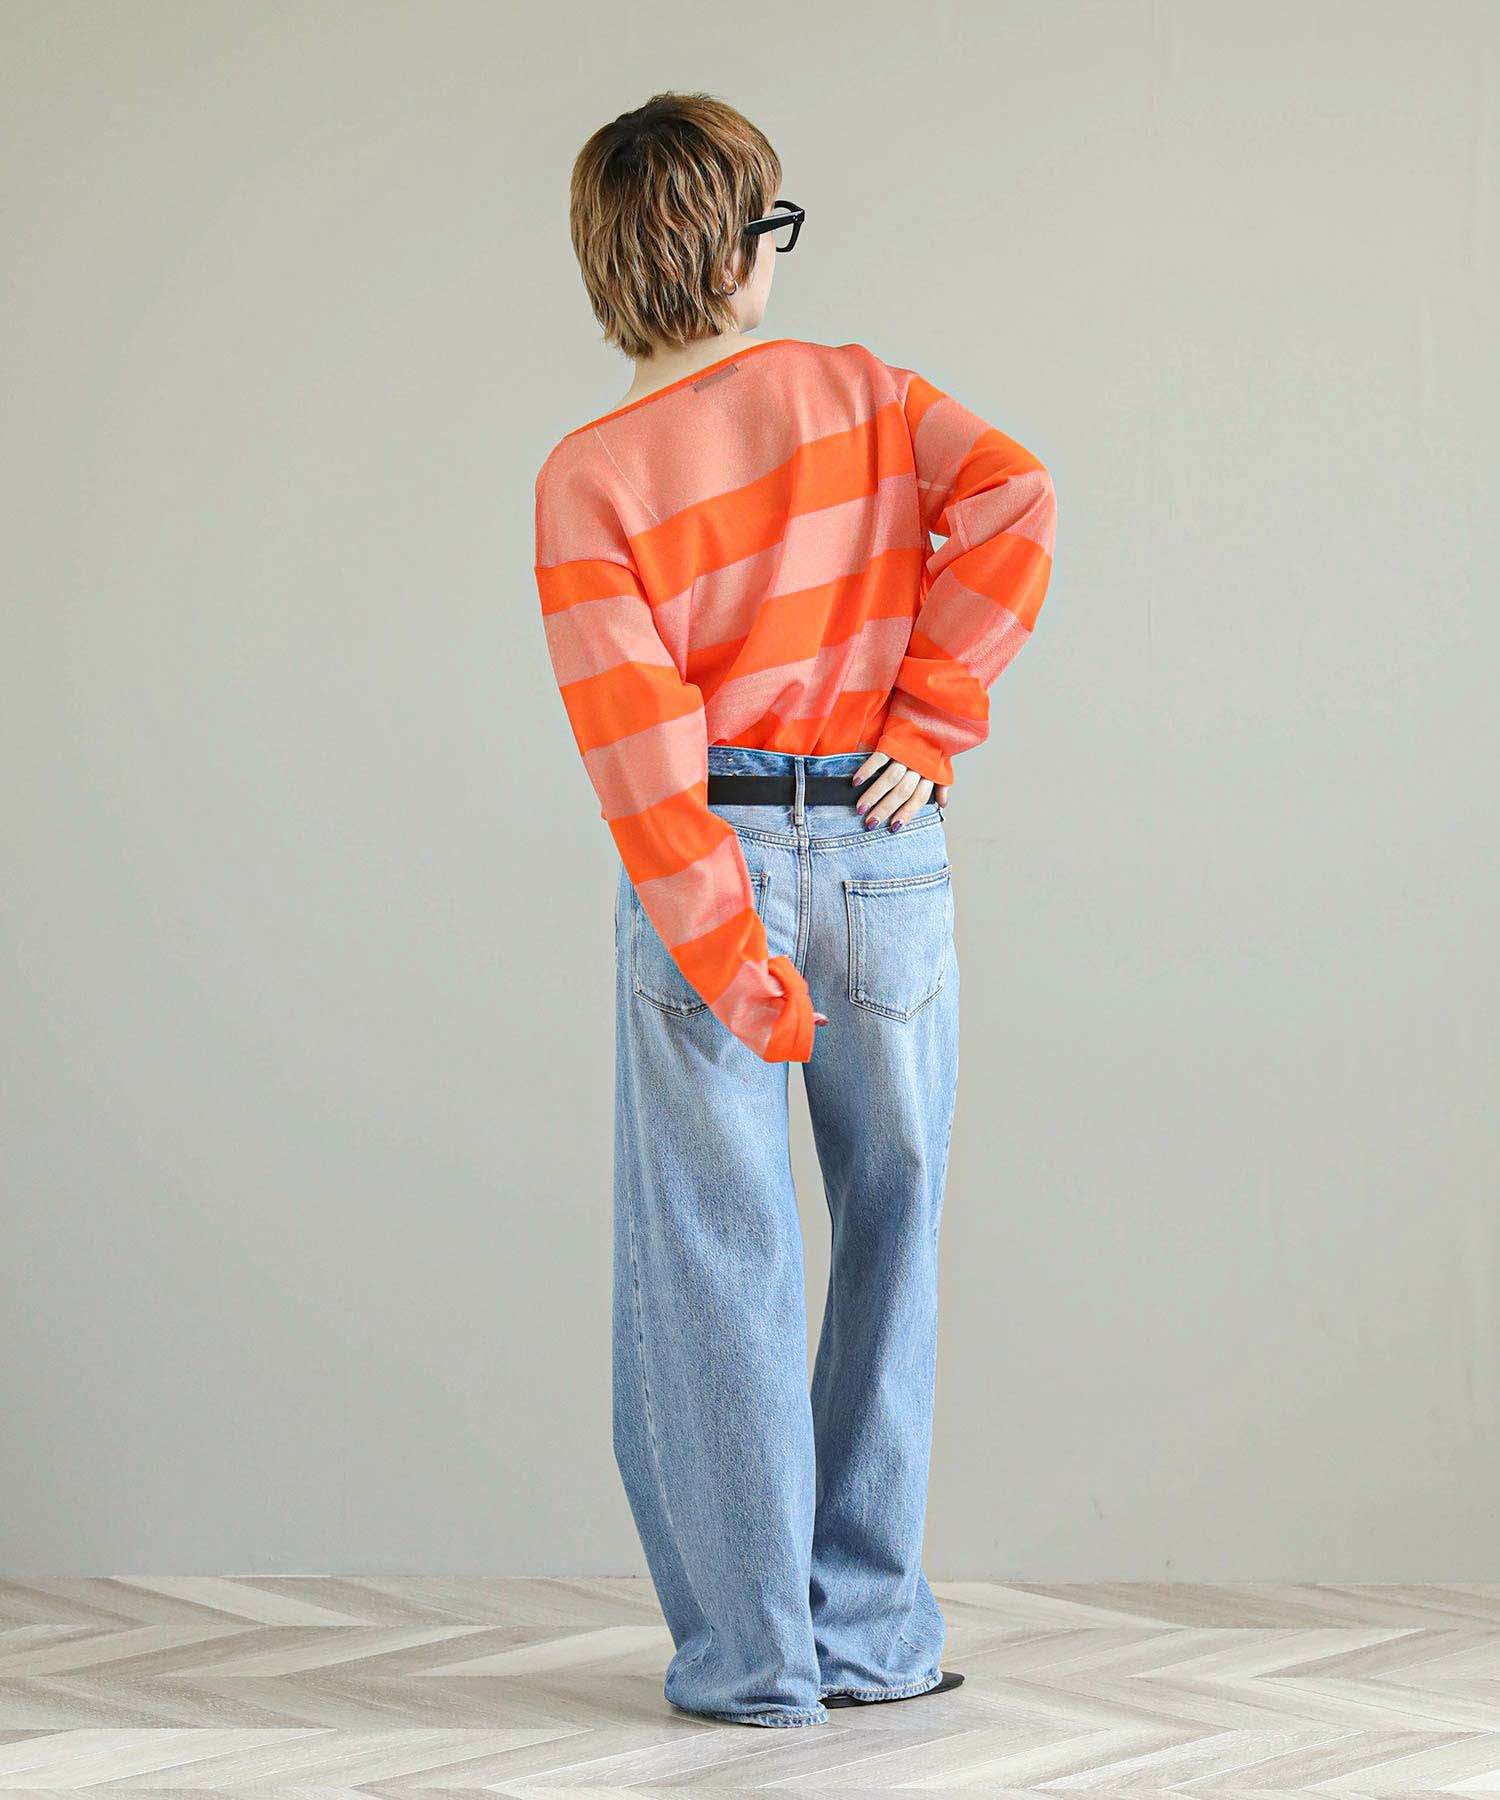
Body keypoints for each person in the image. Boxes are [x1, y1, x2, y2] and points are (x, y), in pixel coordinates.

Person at [532, 90, 1056, 1728]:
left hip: (720, 862)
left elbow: (641, 765)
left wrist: (727, 953)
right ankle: (874, 1635)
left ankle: (757, 1661)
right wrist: (926, 722)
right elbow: (1019, 502)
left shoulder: (588, 481)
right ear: (739, 254)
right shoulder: (868, 395)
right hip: (888, 857)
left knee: (718, 1255)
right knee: (895, 1228)